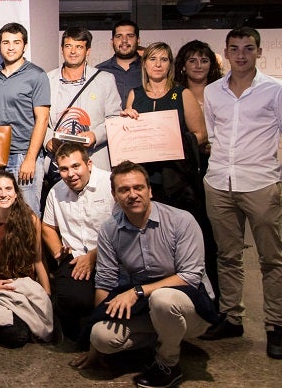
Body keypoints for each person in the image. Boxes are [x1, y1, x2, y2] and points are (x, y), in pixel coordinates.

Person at [71, 161, 217, 388]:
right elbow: (105, 283)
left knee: (163, 299)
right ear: (114, 196)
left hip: (190, 304)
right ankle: (163, 339)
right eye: (124, 190)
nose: (132, 195)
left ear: (150, 190)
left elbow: (189, 276)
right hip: (146, 307)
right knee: (101, 337)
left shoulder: (181, 220)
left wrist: (137, 291)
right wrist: (95, 347)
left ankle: (168, 363)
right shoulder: (110, 230)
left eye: (138, 187)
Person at [200, 27, 282, 360]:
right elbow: (212, 135)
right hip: (219, 182)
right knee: (227, 256)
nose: (241, 55)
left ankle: (276, 325)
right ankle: (232, 317)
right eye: (234, 49)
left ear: (259, 52)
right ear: (226, 53)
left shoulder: (274, 90)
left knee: (272, 259)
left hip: (260, 182)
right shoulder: (213, 92)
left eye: (248, 48)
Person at [0, 170, 52, 348]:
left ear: (15, 193)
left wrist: (47, 295)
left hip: (20, 287)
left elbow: (38, 260)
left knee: (15, 337)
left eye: (8, 189)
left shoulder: (31, 220)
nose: (3, 194)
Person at [42, 142, 115, 343]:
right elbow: (47, 226)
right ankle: (73, 331)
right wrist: (58, 252)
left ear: (89, 164)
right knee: (73, 298)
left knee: (109, 301)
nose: (71, 174)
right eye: (64, 169)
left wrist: (93, 256)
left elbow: (123, 228)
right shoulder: (56, 191)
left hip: (110, 256)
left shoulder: (110, 184)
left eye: (76, 166)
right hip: (74, 257)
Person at [121, 42, 206, 209]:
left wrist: (174, 142)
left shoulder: (182, 93)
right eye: (152, 59)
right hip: (143, 176)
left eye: (164, 59)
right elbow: (128, 136)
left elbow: (201, 135)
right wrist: (125, 123)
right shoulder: (135, 94)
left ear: (170, 65)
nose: (158, 64)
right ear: (144, 64)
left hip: (176, 178)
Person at [173, 39, 223, 299]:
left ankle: (218, 299)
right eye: (192, 60)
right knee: (191, 233)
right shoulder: (175, 94)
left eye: (204, 60)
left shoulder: (222, 92)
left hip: (219, 168)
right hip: (186, 172)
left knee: (215, 237)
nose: (198, 65)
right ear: (183, 65)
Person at [0, 22, 50, 216]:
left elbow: (42, 119)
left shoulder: (37, 75)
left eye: (16, 42)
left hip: (24, 154)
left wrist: (30, 158)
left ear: (25, 46)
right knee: (6, 216)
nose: (11, 47)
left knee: (28, 215)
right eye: (6, 42)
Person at [44, 27, 121, 173]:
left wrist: (95, 135)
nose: (73, 51)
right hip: (57, 163)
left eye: (79, 47)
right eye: (68, 46)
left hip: (93, 160)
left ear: (88, 51)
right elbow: (39, 119)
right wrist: (47, 139)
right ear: (62, 49)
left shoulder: (105, 80)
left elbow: (114, 118)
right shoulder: (47, 79)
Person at [96, 19, 143, 108]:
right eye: (118, 36)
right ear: (112, 41)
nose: (124, 40)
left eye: (130, 36)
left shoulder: (150, 69)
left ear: (138, 40)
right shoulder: (99, 71)